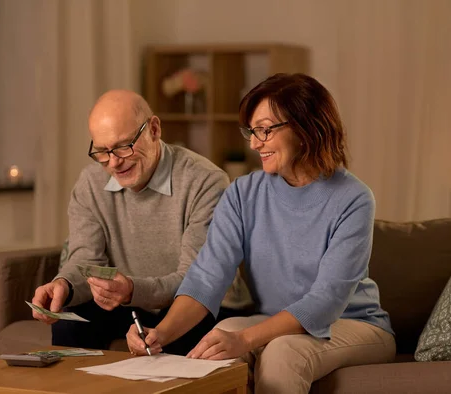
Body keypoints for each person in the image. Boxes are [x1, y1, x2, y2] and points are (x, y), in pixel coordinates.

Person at [126, 74, 396, 393]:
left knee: (283, 352)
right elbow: (207, 278)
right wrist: (161, 333)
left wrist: (244, 339)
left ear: (306, 127)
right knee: (215, 342)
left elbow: (325, 301)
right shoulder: (243, 194)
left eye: (265, 130)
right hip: (274, 321)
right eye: (252, 131)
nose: (255, 143)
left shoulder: (353, 198)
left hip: (354, 325)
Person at [31, 90, 250, 356]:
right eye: (102, 151)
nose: (114, 162)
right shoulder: (90, 184)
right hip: (132, 302)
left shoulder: (205, 181)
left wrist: (132, 290)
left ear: (154, 129)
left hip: (201, 304)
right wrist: (62, 285)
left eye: (124, 146)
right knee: (70, 322)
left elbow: (196, 281)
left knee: (181, 333)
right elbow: (86, 261)